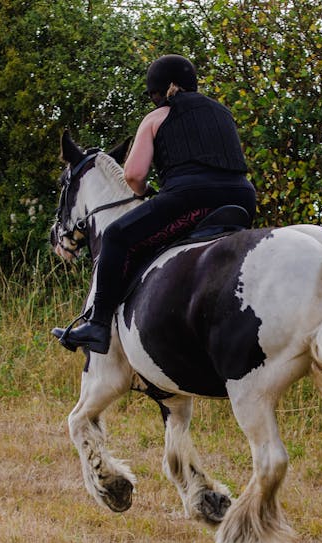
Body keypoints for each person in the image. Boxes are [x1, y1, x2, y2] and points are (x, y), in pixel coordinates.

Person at [53, 54, 257, 354]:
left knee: (115, 236)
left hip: (190, 199)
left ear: (161, 90)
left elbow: (133, 176)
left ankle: (97, 326)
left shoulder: (156, 118)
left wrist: (150, 190)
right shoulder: (222, 112)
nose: (155, 101)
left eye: (154, 95)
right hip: (242, 197)